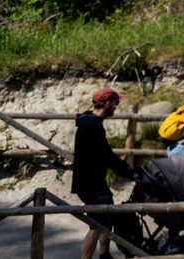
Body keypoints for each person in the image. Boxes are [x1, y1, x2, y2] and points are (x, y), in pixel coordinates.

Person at [72, 87, 134, 259]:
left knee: (106, 218)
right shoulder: (92, 126)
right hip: (90, 184)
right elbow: (106, 155)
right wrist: (128, 171)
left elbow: (103, 154)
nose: (116, 106)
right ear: (107, 103)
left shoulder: (89, 122)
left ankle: (105, 254)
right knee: (97, 225)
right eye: (115, 103)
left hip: (93, 182)